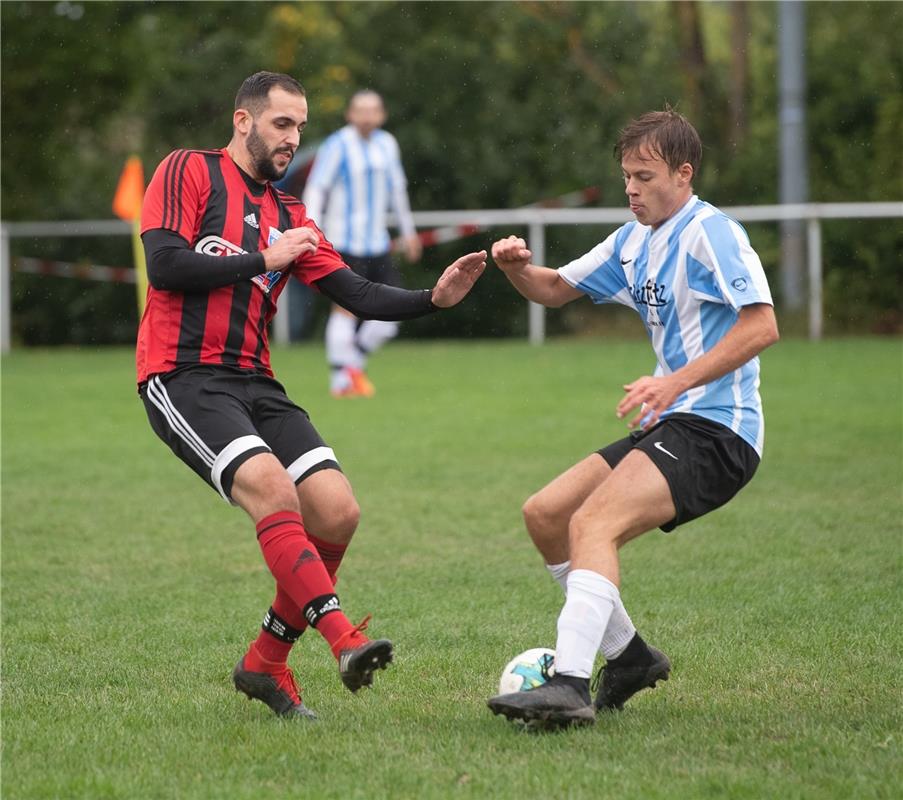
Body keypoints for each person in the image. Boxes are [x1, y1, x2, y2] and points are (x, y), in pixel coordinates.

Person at [136, 71, 486, 720]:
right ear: (243, 122)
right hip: (181, 375)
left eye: (299, 126)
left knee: (336, 511)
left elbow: (355, 293)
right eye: (280, 124)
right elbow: (166, 265)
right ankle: (341, 637)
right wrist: (264, 262)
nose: (293, 138)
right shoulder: (186, 170)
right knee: (273, 489)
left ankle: (264, 663)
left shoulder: (290, 215)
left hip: (255, 380)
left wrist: (432, 300)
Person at [486, 109, 779, 729]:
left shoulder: (711, 233)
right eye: (626, 177)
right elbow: (554, 287)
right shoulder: (632, 240)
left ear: (683, 173)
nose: (632, 189)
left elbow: (762, 325)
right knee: (547, 514)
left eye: (644, 177)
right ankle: (630, 657)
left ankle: (567, 684)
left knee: (593, 521)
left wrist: (673, 380)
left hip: (720, 429)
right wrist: (514, 267)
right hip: (675, 424)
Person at [302, 89, 423, 397]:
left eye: (373, 110)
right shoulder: (337, 145)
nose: (367, 116)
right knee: (345, 311)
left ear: (381, 115)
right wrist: (311, 228)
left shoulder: (387, 144)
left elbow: (398, 191)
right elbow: (317, 188)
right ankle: (340, 380)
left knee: (390, 317)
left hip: (378, 243)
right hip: (345, 241)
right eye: (361, 110)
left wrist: (409, 232)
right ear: (350, 114)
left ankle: (350, 365)